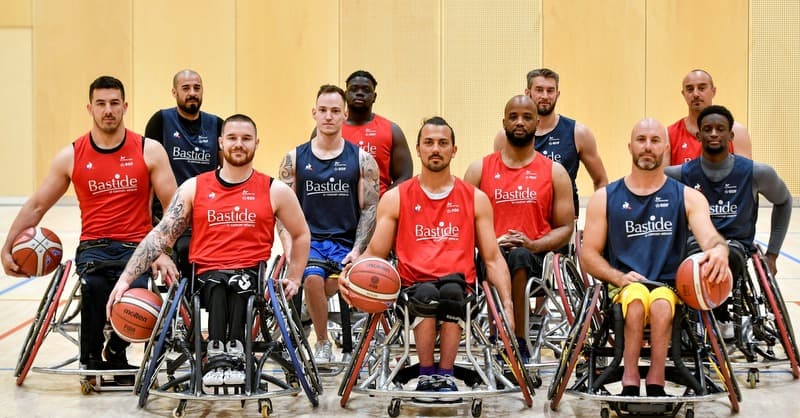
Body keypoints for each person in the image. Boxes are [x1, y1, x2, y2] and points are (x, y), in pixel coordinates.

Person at [107, 114, 310, 388]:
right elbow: (160, 235)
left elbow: (300, 234)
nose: (239, 144)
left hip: (251, 272)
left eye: (246, 139)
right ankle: (216, 353)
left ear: (257, 143)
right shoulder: (194, 187)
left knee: (240, 285)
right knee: (216, 283)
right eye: (233, 138)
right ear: (220, 142)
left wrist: (296, 277)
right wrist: (125, 280)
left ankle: (235, 353)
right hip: (206, 275)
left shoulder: (274, 190)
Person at [1, 76, 177, 385]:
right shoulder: (72, 155)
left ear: (124, 107)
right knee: (94, 286)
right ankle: (92, 358)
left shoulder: (149, 150)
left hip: (138, 246)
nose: (108, 110)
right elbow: (37, 205)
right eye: (101, 104)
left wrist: (162, 252)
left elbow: (174, 209)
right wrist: (8, 245)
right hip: (94, 247)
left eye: (113, 103)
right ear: (90, 108)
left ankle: (118, 353)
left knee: (135, 289)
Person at [340, 116, 514, 392]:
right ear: (418, 149)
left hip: (460, 287)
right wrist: (350, 274)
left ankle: (444, 374)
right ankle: (425, 373)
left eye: (443, 143)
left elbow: (492, 258)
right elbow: (376, 251)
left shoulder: (475, 198)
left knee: (452, 293)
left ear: (453, 150)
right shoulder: (396, 197)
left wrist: (507, 305)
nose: (436, 148)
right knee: (426, 295)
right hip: (412, 288)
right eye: (429, 143)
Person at [580, 118, 730, 397]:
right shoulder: (605, 197)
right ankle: (630, 376)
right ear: (630, 146)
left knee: (661, 304)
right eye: (641, 140)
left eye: (655, 140)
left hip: (668, 286)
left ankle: (657, 379)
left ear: (666, 147)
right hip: (623, 284)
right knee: (636, 300)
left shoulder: (688, 197)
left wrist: (720, 250)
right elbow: (588, 254)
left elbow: (709, 236)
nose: (647, 147)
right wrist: (617, 276)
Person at [665, 105, 792, 337]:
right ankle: (688, 319)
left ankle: (719, 315)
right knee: (691, 256)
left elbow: (784, 201)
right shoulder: (679, 174)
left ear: (730, 135)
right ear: (698, 135)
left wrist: (772, 254)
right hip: (695, 246)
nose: (714, 133)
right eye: (708, 129)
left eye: (720, 129)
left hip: (736, 246)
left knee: (724, 255)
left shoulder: (756, 173)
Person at [464, 95, 574, 361]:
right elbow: (464, 224)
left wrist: (534, 244)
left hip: (534, 257)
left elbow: (566, 228)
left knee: (520, 255)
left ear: (537, 122)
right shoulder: (479, 169)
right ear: (504, 122)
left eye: (526, 117)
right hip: (491, 257)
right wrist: (490, 243)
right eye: (513, 117)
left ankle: (518, 341)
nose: (520, 122)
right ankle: (498, 334)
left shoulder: (554, 172)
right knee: (501, 256)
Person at [278, 84, 380, 364]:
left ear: (344, 115)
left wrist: (359, 249)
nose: (329, 116)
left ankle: (314, 316)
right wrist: (289, 248)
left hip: (345, 242)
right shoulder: (294, 158)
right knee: (311, 278)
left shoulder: (362, 159)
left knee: (327, 285)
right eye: (323, 110)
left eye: (335, 111)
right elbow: (283, 212)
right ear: (314, 113)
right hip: (309, 242)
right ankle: (322, 342)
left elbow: (371, 209)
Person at [492, 68, 608, 213]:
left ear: (557, 94)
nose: (545, 96)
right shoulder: (505, 136)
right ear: (528, 93)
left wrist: (598, 217)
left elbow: (600, 180)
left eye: (550, 90)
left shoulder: (578, 133)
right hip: (522, 220)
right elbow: (499, 182)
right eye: (539, 90)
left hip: (564, 222)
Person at [145, 69, 224, 279]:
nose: (192, 93)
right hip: (169, 213)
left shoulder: (216, 125)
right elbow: (147, 176)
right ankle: (184, 303)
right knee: (186, 249)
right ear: (174, 92)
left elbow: (229, 172)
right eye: (186, 88)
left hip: (205, 213)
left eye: (197, 88)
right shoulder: (161, 121)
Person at [341, 70, 413, 195]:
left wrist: (383, 201)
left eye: (366, 90)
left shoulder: (392, 130)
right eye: (354, 89)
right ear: (346, 94)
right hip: (339, 206)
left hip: (379, 209)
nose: (359, 93)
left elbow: (405, 176)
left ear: (374, 97)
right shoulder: (328, 130)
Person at [666, 69, 752, 165]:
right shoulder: (669, 134)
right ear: (683, 94)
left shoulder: (737, 131)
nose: (695, 94)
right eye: (690, 89)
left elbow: (744, 176)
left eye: (702, 88)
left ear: (713, 91)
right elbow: (663, 177)